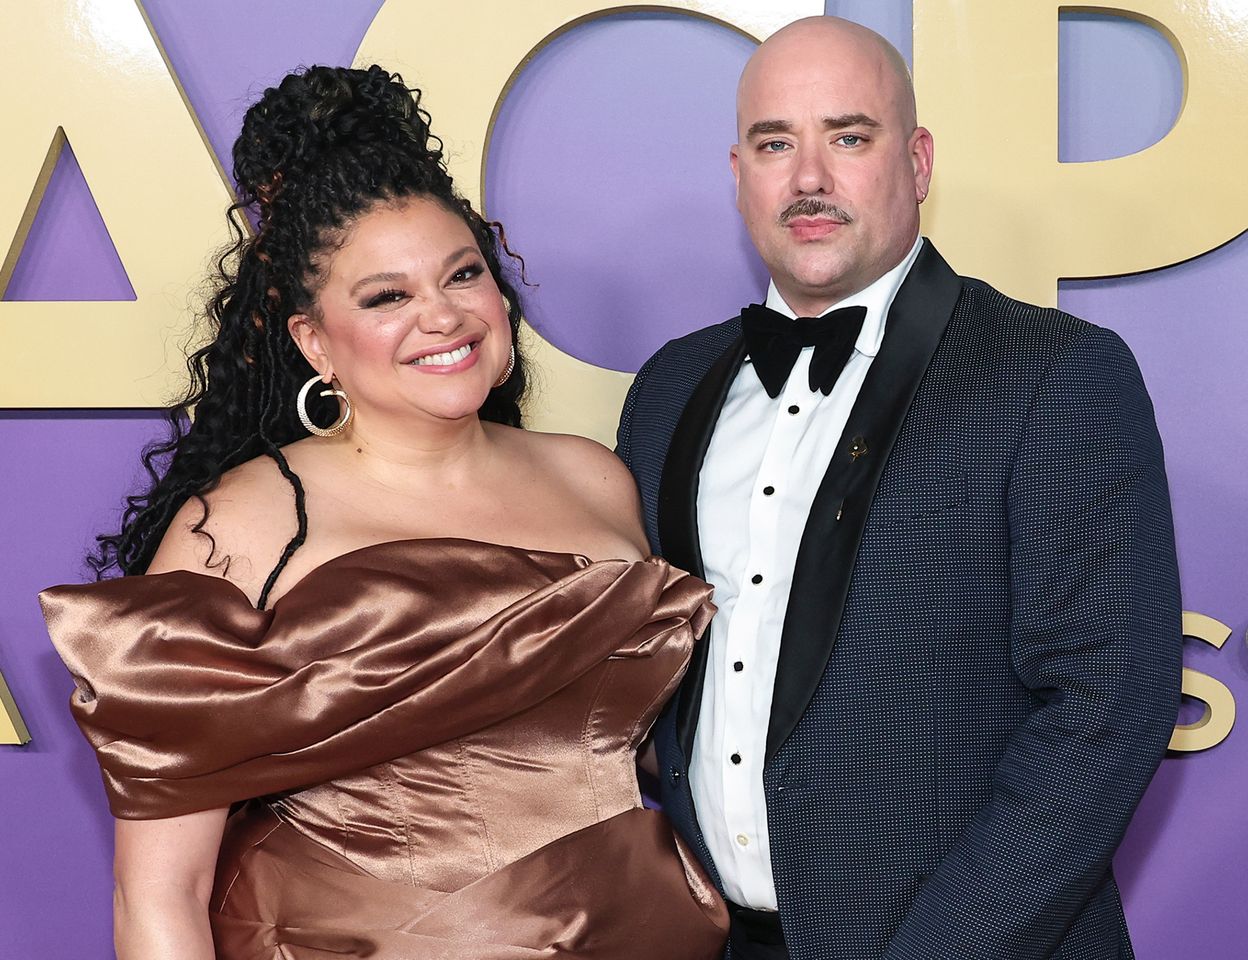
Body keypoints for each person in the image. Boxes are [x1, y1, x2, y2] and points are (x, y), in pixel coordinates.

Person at [41, 65, 728, 959]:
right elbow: (160, 896)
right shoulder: (239, 531)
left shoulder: (595, 480)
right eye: (387, 296)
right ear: (314, 341)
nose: (442, 317)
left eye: (463, 274)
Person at [617, 16, 1182, 960]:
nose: (808, 178)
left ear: (917, 162)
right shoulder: (670, 390)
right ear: (737, 171)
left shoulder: (1053, 373)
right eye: (774, 143)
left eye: (848, 136)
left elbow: (1105, 708)